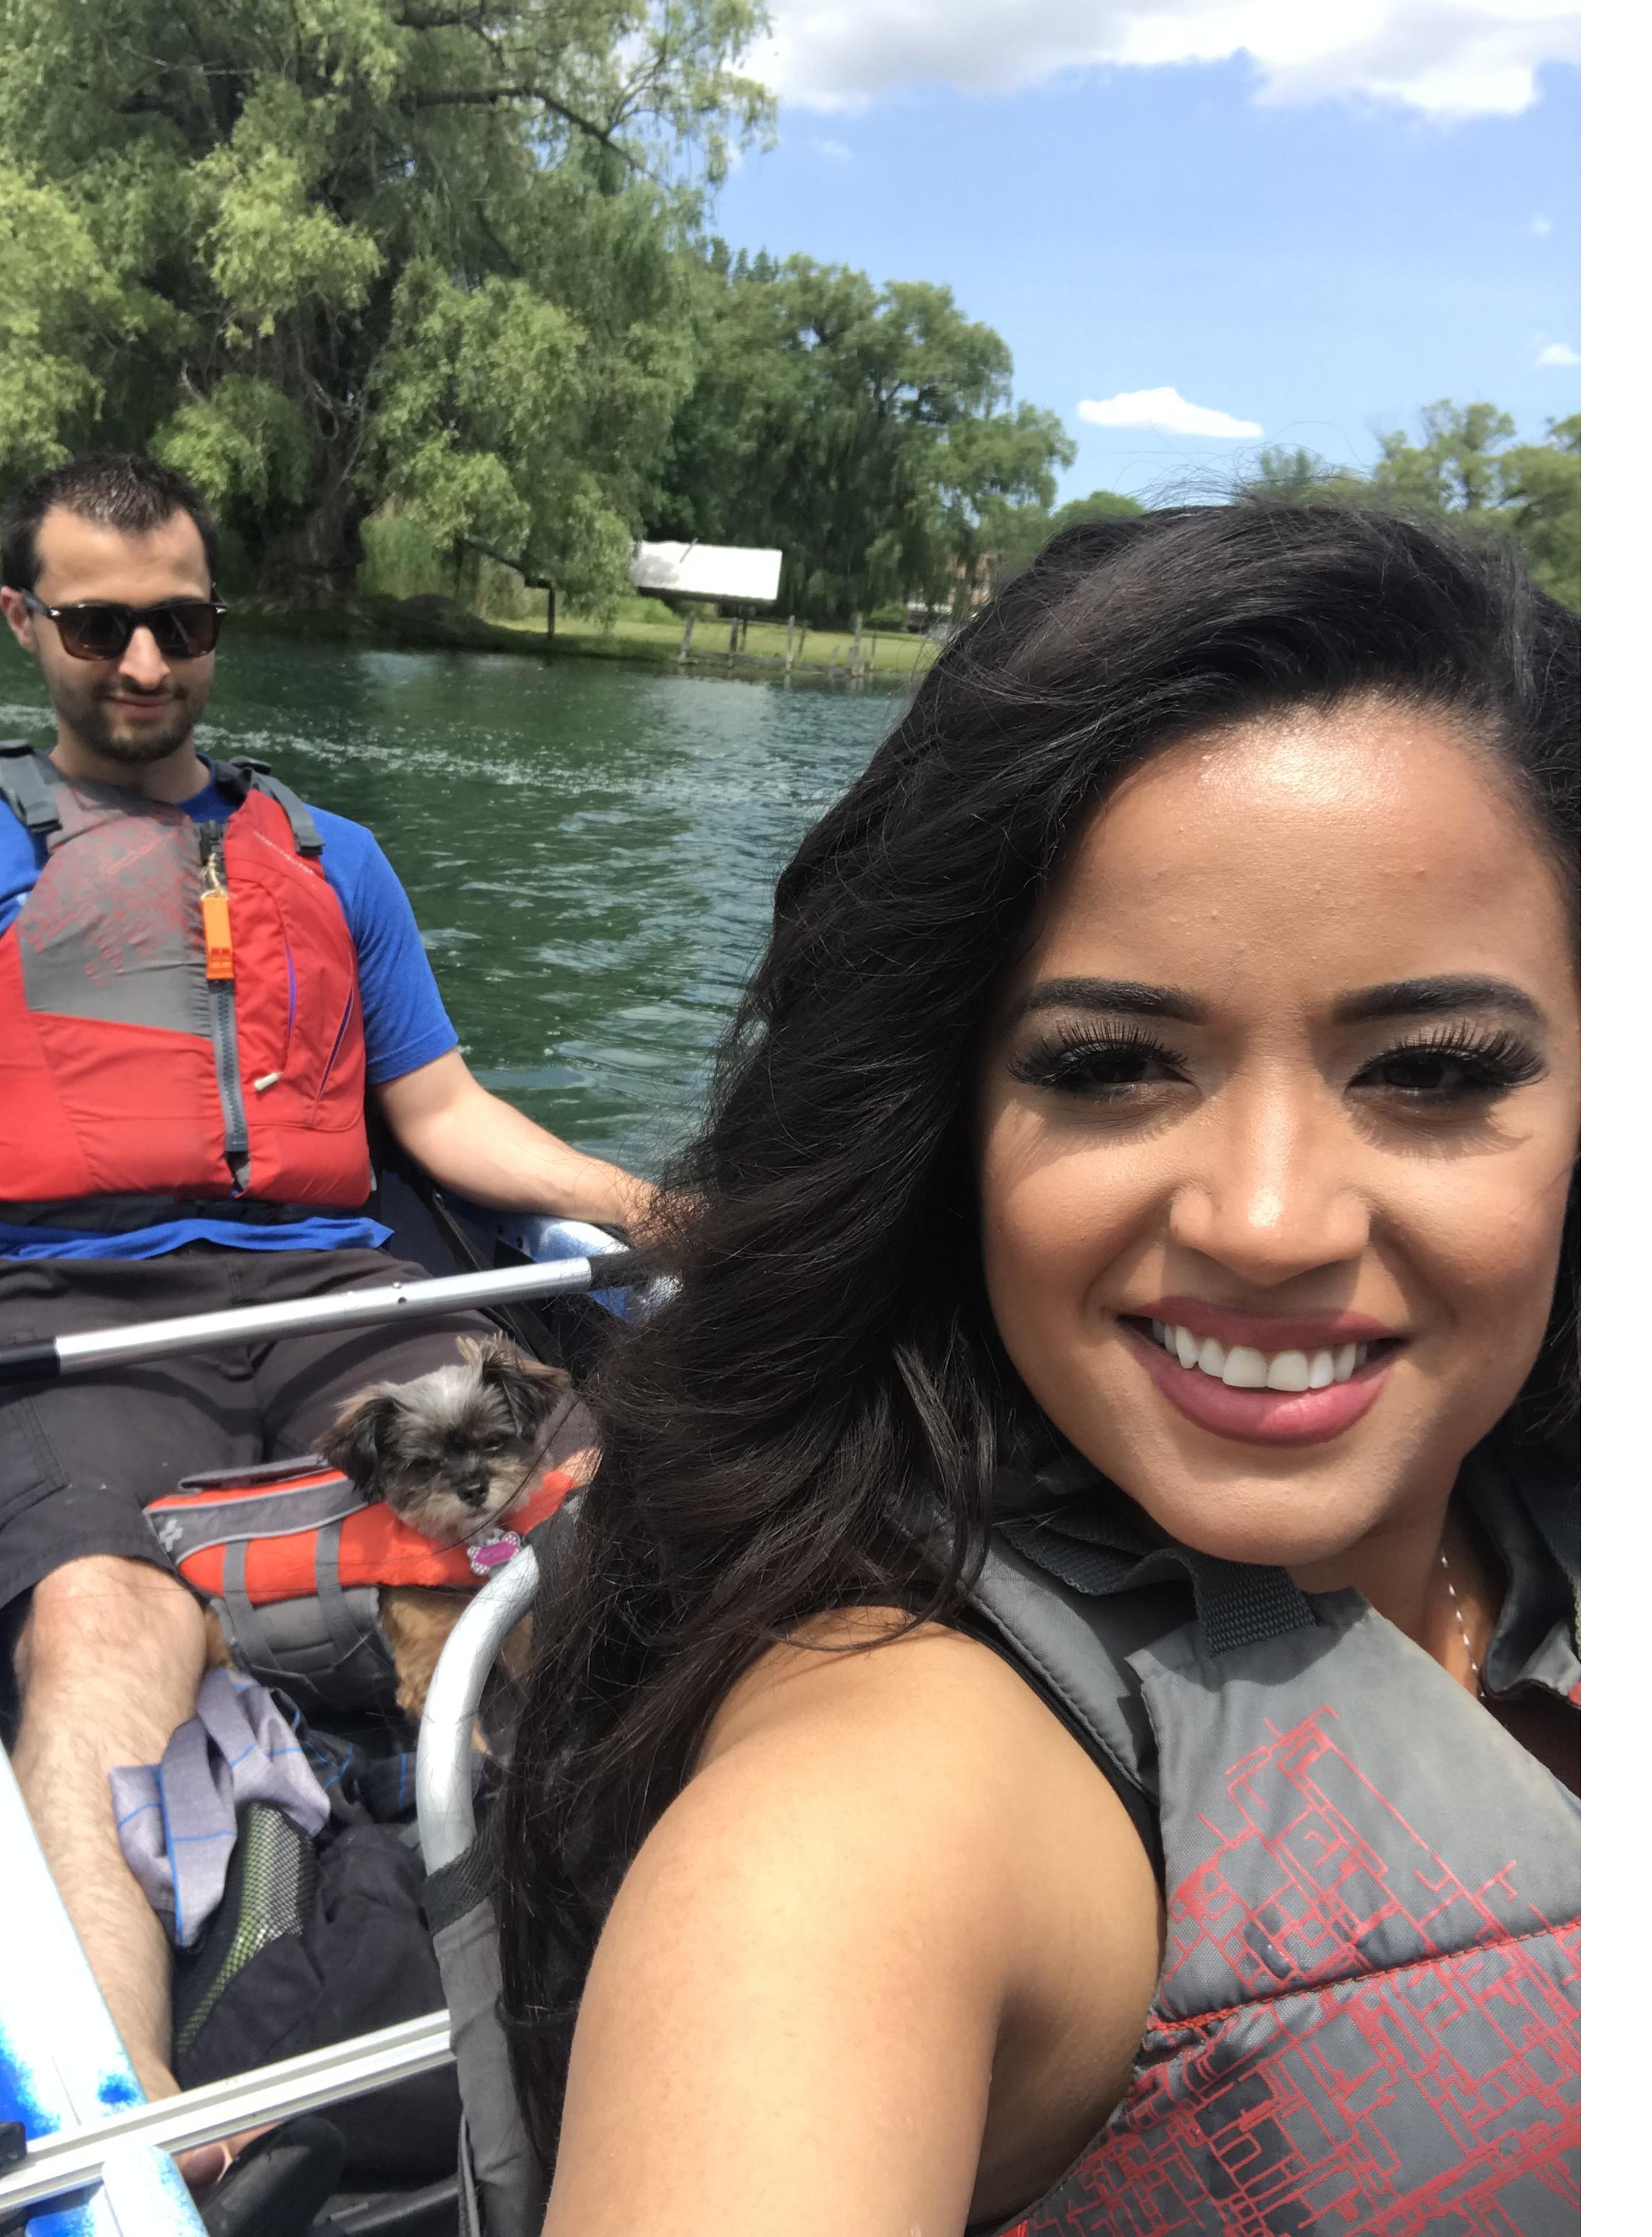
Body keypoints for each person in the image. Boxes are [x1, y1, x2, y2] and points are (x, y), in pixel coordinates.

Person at [496, 503, 1581, 2233]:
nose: (1270, 1219)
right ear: (949, 1127)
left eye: (1433, 1070)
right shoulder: (857, 1831)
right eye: (1108, 1064)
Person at [0, 452, 657, 2133]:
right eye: (100, 625)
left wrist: (648, 1205)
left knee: (589, 1511)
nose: (145, 664)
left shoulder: (334, 857)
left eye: (179, 621)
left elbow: (443, 1118)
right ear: (25, 619)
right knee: (104, 1617)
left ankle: (674, 1955)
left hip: (336, 1285)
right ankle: (132, 2115)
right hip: (52, 1310)